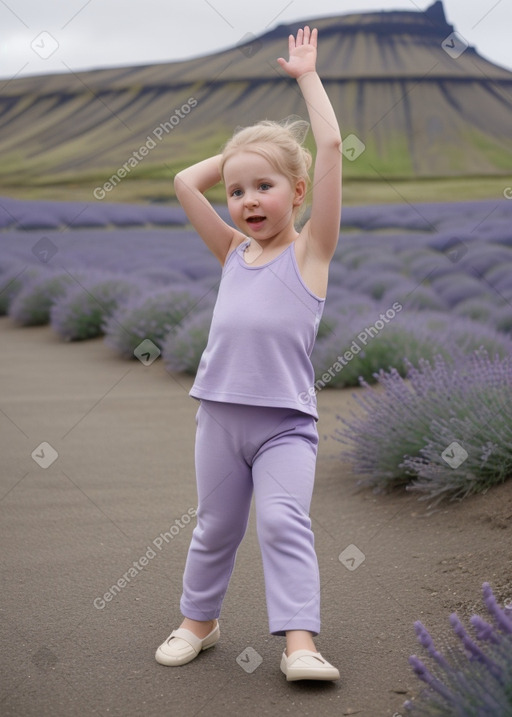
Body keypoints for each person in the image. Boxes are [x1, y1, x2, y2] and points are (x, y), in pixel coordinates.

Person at [156, 26, 342, 681]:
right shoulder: (233, 251)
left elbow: (331, 144)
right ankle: (196, 624)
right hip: (220, 417)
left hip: (286, 424)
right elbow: (184, 180)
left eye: (263, 186)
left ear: (297, 193)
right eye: (236, 191)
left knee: (285, 525)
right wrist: (238, 155)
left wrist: (306, 79)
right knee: (215, 527)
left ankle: (300, 644)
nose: (245, 200)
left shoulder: (310, 253)